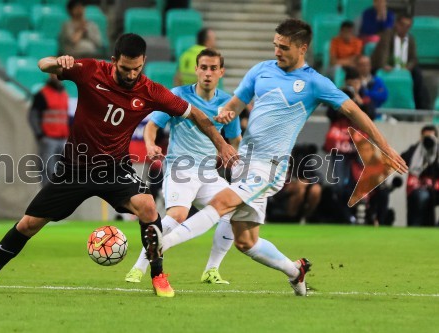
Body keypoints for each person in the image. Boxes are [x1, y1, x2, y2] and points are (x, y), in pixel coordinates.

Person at [0, 33, 237, 298]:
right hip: (74, 169)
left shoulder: (151, 91)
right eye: (126, 68)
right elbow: (43, 65)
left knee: (148, 207)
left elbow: (196, 115)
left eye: (136, 68)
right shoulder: (91, 70)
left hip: (113, 169)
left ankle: (158, 275)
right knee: (28, 224)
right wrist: (57, 60)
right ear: (114, 61)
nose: (131, 74)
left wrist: (221, 144)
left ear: (143, 63)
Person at [142, 18, 408, 296]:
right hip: (245, 162)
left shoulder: (315, 82)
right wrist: (227, 112)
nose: (277, 51)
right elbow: (235, 103)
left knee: (221, 202)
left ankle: (162, 245)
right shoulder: (261, 70)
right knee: (246, 241)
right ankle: (296, 271)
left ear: (302, 48)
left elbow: (355, 113)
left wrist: (385, 148)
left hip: (270, 166)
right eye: (275, 45)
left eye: (283, 47)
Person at [125, 48, 241, 284]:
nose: (208, 73)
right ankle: (138, 267)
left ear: (221, 72)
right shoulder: (178, 95)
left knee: (234, 211)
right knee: (177, 215)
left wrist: (233, 157)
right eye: (204, 67)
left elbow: (235, 141)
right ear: (196, 70)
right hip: (181, 169)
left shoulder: (228, 105)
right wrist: (150, 145)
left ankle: (211, 270)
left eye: (213, 68)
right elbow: (152, 126)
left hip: (208, 173)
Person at [324, 66, 376, 223]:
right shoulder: (338, 98)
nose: (354, 85)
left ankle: (358, 216)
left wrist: (357, 102)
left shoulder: (364, 99)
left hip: (359, 148)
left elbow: (370, 115)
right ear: (346, 82)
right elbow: (330, 114)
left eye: (357, 82)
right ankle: (345, 217)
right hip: (340, 146)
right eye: (351, 82)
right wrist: (343, 102)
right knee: (338, 185)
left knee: (359, 184)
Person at [371, 13, 430, 110]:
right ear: (396, 24)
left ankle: (420, 108)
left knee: (418, 74)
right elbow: (383, 52)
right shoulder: (387, 35)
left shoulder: (410, 38)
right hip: (386, 66)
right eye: (402, 25)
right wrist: (385, 65)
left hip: (404, 68)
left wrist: (408, 67)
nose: (405, 28)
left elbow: (414, 58)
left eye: (408, 26)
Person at [28, 74, 70, 186]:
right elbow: (33, 116)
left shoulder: (64, 94)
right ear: (51, 75)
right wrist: (40, 135)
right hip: (49, 139)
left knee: (62, 169)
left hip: (63, 139)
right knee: (48, 169)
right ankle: (46, 195)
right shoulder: (42, 94)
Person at [401, 125, 439, 227]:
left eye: (431, 137)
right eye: (425, 137)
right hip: (419, 188)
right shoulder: (415, 150)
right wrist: (419, 147)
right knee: (422, 196)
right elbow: (403, 160)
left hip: (436, 188)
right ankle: (415, 227)